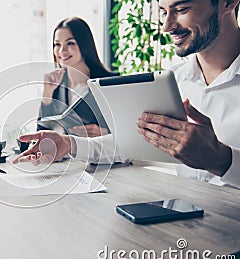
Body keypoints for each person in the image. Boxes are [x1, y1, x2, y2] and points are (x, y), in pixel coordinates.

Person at [14, 0, 240, 188]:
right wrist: (68, 144)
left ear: (228, 2)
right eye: (163, 12)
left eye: (181, 9)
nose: (166, 26)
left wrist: (223, 161)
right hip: (192, 223)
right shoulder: (174, 79)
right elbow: (132, 143)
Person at [38, 16, 117, 137]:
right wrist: (46, 95)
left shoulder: (111, 83)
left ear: (84, 45)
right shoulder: (55, 87)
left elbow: (129, 131)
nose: (62, 51)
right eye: (57, 44)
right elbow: (40, 135)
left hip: (101, 154)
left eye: (70, 43)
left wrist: (105, 133)